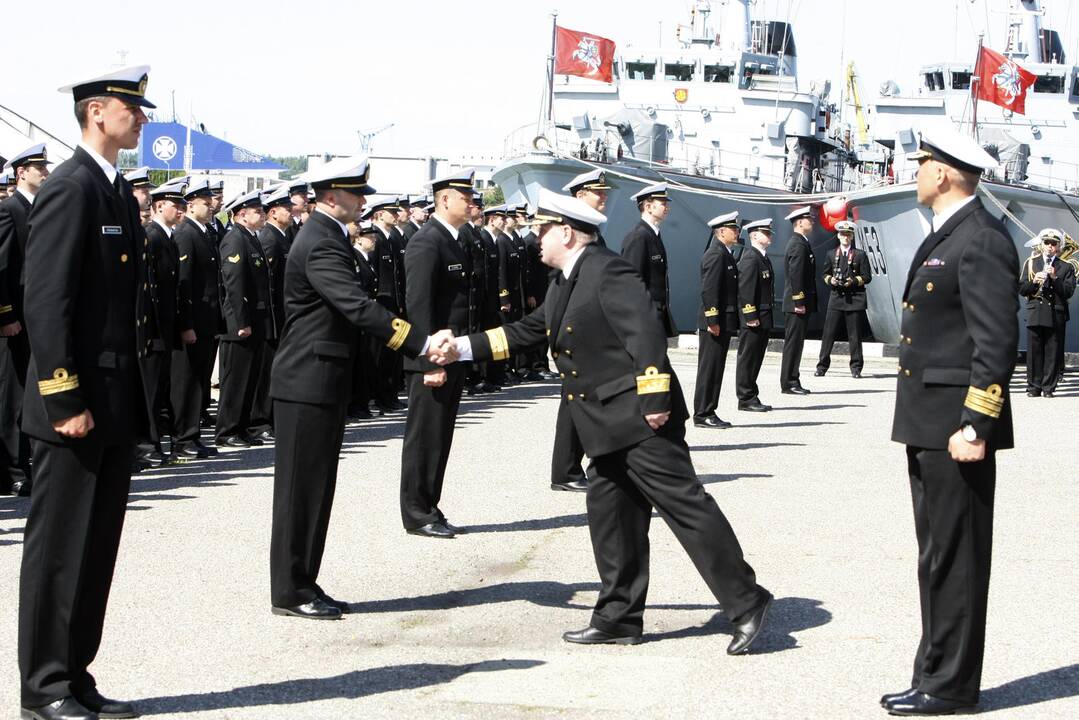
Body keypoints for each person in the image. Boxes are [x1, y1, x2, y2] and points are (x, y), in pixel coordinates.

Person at [455, 189, 773, 653]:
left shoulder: (608, 270)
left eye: (542, 229)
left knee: (686, 508)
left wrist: (655, 399)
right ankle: (619, 617)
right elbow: (527, 331)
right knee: (611, 518)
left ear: (566, 232)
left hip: (640, 418)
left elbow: (644, 334)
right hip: (604, 423)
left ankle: (747, 601)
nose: (535, 238)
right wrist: (460, 349)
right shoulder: (566, 278)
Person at [18, 65, 157, 720]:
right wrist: (64, 397)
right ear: (98, 111)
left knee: (95, 550)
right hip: (74, 406)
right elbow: (47, 303)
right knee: (57, 551)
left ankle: (75, 675)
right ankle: (43, 687)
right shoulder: (71, 188)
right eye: (135, 107)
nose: (144, 118)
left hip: (113, 402)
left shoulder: (116, 193)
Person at [268, 156, 457, 620]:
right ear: (331, 196)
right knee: (301, 491)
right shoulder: (322, 242)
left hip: (321, 378)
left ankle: (303, 581)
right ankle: (291, 589)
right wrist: (419, 342)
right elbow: (356, 307)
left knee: (316, 489)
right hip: (307, 380)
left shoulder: (328, 236)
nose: (362, 203)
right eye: (356, 195)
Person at [883, 128, 1019, 716]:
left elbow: (995, 343)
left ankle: (952, 685)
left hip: (955, 427)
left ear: (943, 173)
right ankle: (933, 670)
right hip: (927, 421)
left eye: (920, 165)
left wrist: (976, 425)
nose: (914, 173)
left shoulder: (981, 240)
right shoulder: (947, 235)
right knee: (936, 554)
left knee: (957, 556)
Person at [399, 169, 477, 539]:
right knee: (425, 437)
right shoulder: (427, 242)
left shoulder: (454, 239)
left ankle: (429, 504)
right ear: (445, 199)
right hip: (434, 359)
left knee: (440, 436)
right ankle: (417, 512)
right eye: (466, 197)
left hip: (453, 354)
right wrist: (428, 362)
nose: (472, 203)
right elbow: (419, 308)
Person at [0, 144, 51, 497]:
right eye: (38, 167)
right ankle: (11, 470)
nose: (45, 172)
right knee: (13, 394)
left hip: (36, 316)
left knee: (31, 392)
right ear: (21, 172)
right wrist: (6, 315)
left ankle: (28, 462)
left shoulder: (39, 209)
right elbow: (3, 268)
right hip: (15, 318)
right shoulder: (10, 209)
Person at [215, 189, 275, 447]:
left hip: (255, 321)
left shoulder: (251, 238)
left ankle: (241, 427)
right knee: (236, 380)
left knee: (249, 378)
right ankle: (227, 430)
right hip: (240, 324)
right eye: (258, 212)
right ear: (241, 215)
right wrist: (241, 323)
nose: (262, 216)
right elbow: (234, 285)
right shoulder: (235, 239)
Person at [170, 180, 220, 458]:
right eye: (205, 201)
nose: (211, 205)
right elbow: (184, 283)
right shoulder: (186, 234)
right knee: (185, 382)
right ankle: (182, 439)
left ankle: (192, 434)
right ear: (191, 205)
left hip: (205, 320)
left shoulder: (203, 233)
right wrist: (186, 324)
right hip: (193, 322)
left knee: (199, 380)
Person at [693, 211, 741, 429]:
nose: (738, 232)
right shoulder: (716, 254)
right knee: (709, 368)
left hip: (722, 320)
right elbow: (709, 290)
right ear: (722, 232)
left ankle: (709, 409)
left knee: (716, 367)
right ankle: (703, 412)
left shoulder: (725, 253)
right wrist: (713, 320)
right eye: (734, 228)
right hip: (715, 322)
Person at [1019, 227, 1075, 397]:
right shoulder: (1031, 263)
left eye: (1054, 243)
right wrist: (1035, 283)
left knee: (1052, 350)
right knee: (1034, 350)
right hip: (1036, 310)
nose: (1050, 246)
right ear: (1042, 245)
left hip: (1055, 312)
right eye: (1047, 243)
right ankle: (1034, 387)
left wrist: (1055, 278)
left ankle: (1048, 388)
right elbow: (1022, 289)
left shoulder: (1066, 266)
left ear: (1058, 247)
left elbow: (1068, 291)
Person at [815, 220, 872, 378]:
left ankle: (856, 368)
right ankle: (822, 366)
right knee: (828, 334)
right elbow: (824, 274)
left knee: (854, 335)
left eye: (848, 235)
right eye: (842, 234)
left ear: (852, 236)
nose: (845, 237)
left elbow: (867, 277)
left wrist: (853, 281)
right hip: (836, 298)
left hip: (854, 298)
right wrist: (830, 280)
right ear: (838, 236)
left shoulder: (860, 255)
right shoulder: (831, 254)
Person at [621, 183, 676, 337]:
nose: (667, 208)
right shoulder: (639, 237)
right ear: (648, 207)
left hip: (655, 315)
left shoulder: (652, 235)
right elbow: (631, 282)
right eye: (663, 204)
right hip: (644, 316)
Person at [735, 219, 776, 412]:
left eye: (769, 233)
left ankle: (751, 394)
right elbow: (746, 289)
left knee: (756, 358)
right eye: (765, 233)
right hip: (754, 317)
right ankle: (745, 397)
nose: (769, 236)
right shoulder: (751, 258)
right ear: (754, 236)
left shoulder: (763, 257)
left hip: (763, 316)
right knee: (748, 358)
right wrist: (750, 314)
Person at [779, 206, 817, 394]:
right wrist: (799, 302)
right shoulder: (797, 244)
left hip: (798, 303)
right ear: (800, 222)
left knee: (796, 343)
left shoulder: (802, 242)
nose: (812, 221)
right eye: (809, 219)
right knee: (793, 343)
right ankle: (790, 382)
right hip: (797, 305)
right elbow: (796, 275)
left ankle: (792, 379)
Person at [562, 169, 610, 248]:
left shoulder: (589, 228)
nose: (605, 197)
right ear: (580, 196)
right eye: (599, 193)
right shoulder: (575, 229)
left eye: (605, 193)